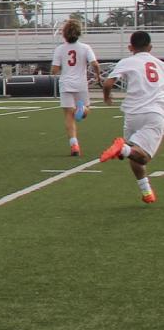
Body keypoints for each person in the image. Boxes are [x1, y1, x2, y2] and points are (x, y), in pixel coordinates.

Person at [99, 30, 164, 204]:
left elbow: (108, 83)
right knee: (143, 156)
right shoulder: (159, 63)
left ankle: (146, 191)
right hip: (153, 113)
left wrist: (106, 97)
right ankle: (122, 149)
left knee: (135, 152)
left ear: (130, 47)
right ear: (150, 47)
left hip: (132, 114)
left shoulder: (126, 61)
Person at [50, 20, 101, 157]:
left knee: (68, 115)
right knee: (86, 110)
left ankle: (74, 144)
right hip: (80, 84)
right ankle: (82, 109)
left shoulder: (60, 49)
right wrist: (98, 77)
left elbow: (54, 70)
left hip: (66, 84)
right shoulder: (85, 48)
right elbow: (95, 64)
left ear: (64, 34)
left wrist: (56, 70)